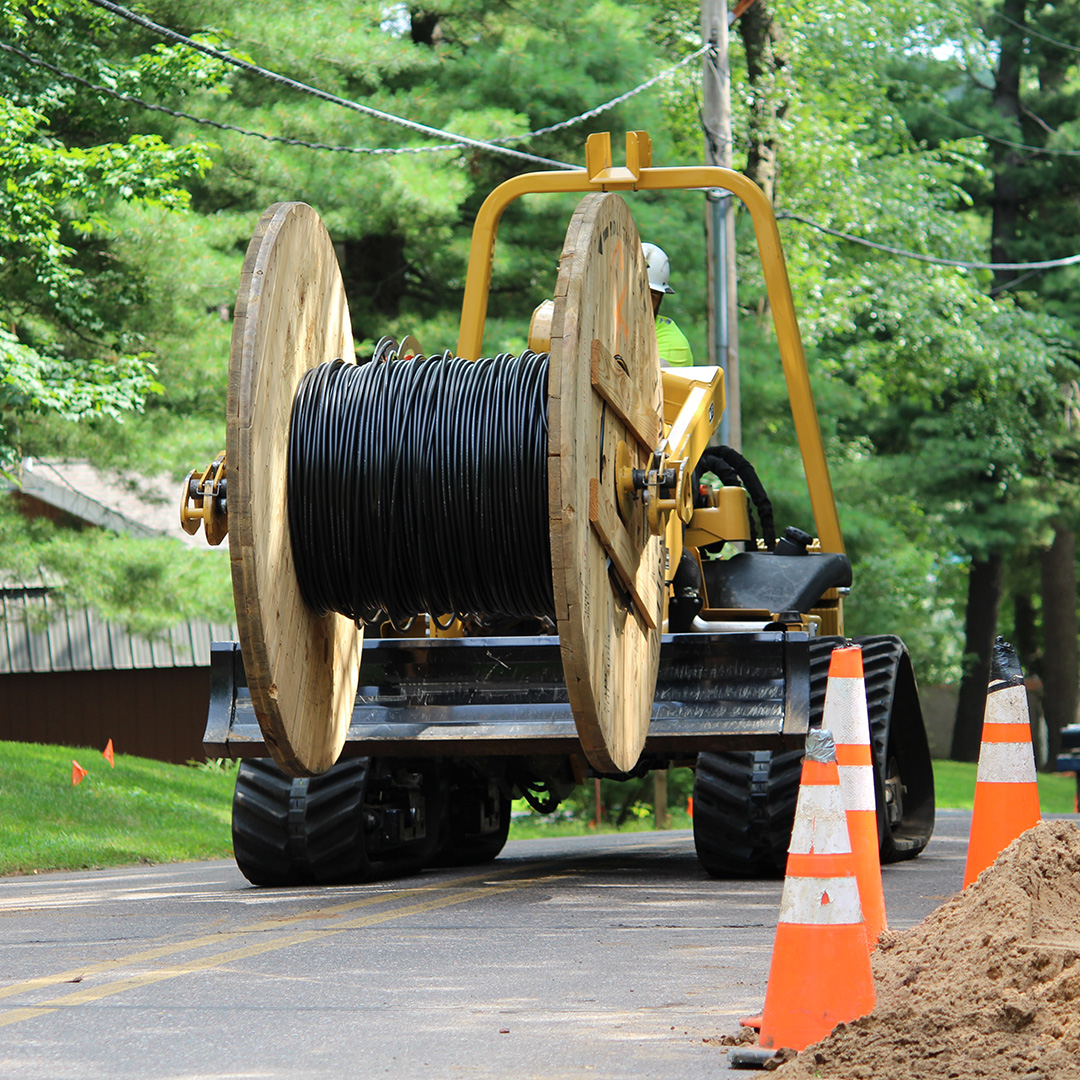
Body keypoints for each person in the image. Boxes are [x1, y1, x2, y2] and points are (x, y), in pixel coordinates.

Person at [642, 242, 693, 367]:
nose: (642, 303)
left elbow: (648, 377)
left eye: (652, 296)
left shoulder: (672, 343)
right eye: (634, 293)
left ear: (660, 298)